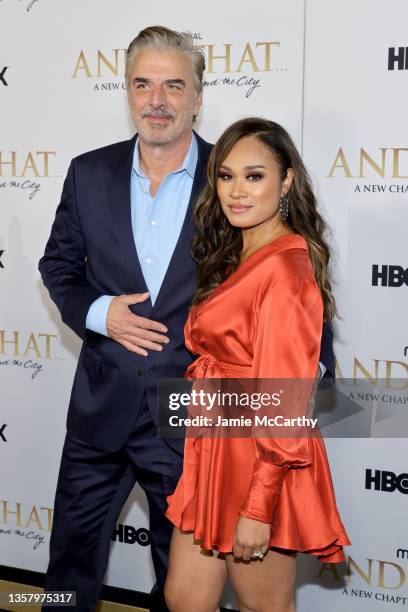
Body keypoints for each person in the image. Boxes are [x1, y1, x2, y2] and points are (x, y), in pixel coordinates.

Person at [39, 26, 334, 612]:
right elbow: (58, 266)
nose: (158, 99)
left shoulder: (235, 180)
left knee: (182, 583)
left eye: (175, 85)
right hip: (101, 407)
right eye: (143, 84)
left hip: (195, 424)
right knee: (65, 573)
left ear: (199, 97)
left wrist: (305, 380)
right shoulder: (87, 173)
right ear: (125, 91)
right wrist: (101, 314)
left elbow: (289, 286)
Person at [164, 118, 350, 612]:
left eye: (254, 176)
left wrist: (258, 506)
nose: (237, 192)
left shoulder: (286, 268)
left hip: (261, 460)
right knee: (184, 598)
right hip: (215, 450)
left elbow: (285, 401)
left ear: (286, 181)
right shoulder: (239, 255)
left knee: (262, 606)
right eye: (226, 177)